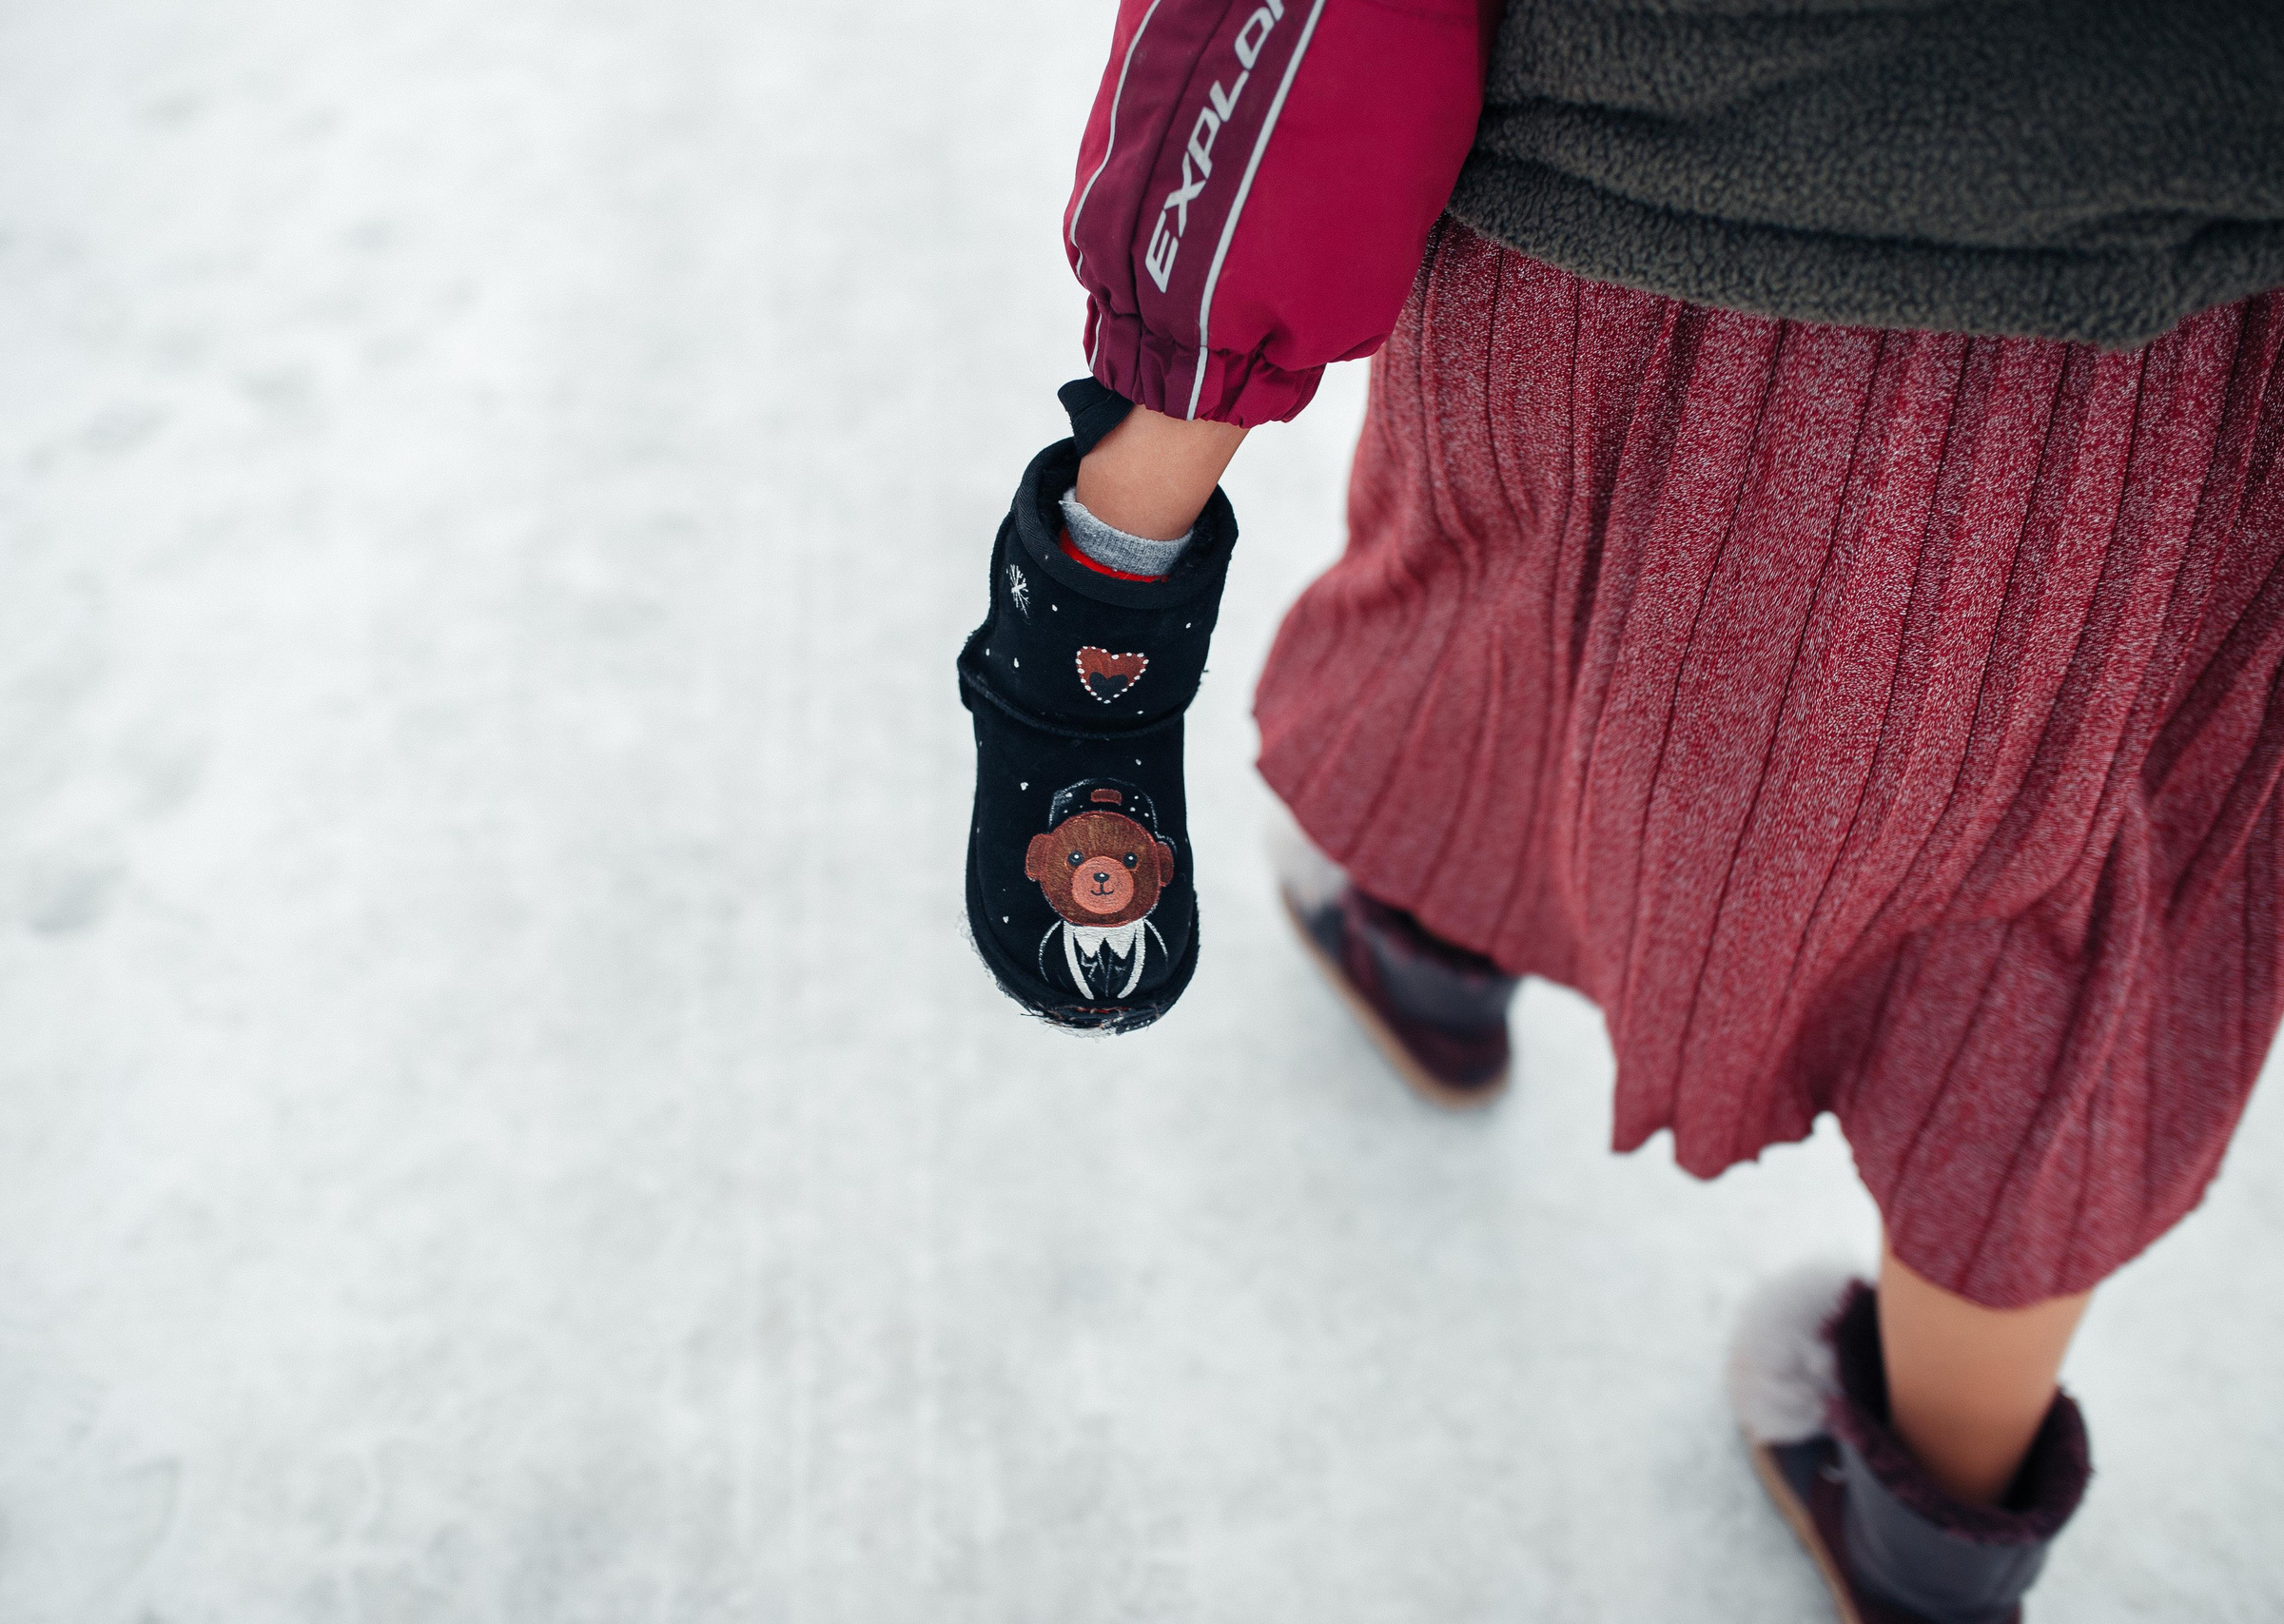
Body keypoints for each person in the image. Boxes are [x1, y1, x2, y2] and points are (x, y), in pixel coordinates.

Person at [954, 3, 2284, 1617]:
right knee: (2092, 948)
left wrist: (1114, 556)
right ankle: (1935, 1531)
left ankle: (1422, 949)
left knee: (1503, 661)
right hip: (2227, 358)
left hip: (1657, 264)